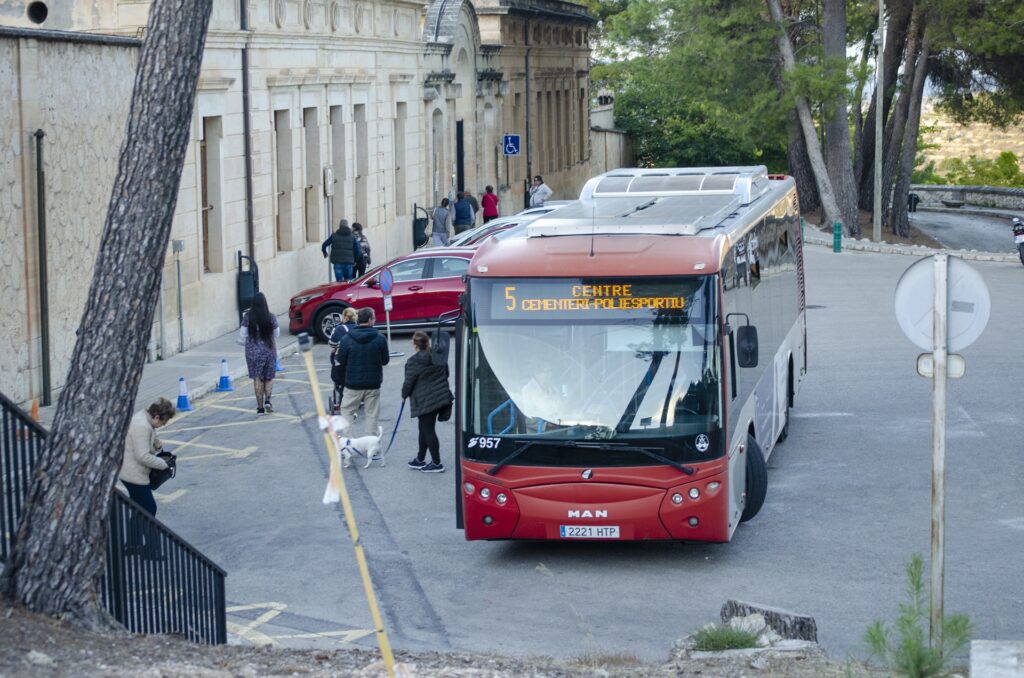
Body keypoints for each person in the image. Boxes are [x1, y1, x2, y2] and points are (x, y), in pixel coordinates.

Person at [119, 397, 176, 559]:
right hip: (133, 474)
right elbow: (143, 455)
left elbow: (149, 436)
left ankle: (132, 544)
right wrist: (163, 464)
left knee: (139, 509)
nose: (163, 425)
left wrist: (156, 443)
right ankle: (152, 550)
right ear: (157, 416)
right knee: (149, 509)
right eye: (163, 422)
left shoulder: (145, 418)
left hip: (129, 471)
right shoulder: (142, 426)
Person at [402, 331, 454, 473]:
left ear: (414, 344)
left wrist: (404, 395)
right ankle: (420, 459)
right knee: (424, 428)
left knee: (428, 430)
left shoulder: (413, 361)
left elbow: (409, 381)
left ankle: (437, 463)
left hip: (425, 400)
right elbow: (447, 374)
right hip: (441, 397)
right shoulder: (438, 356)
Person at [336, 307, 390, 436]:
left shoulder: (346, 339)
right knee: (371, 413)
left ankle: (349, 443)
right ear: (370, 320)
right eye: (374, 318)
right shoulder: (380, 338)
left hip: (352, 384)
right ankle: (371, 445)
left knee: (347, 410)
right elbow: (385, 361)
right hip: (373, 383)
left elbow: (341, 361)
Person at [238, 292, 279, 415]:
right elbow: (277, 334)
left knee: (257, 378)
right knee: (269, 377)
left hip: (252, 352)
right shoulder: (271, 317)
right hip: (269, 350)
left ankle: (260, 408)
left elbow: (243, 334)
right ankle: (268, 401)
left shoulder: (247, 317)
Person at [328, 307, 358, 408]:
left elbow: (332, 343)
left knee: (338, 374)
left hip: (342, 360)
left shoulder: (339, 328)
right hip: (357, 359)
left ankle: (341, 394)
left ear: (345, 317)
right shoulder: (359, 327)